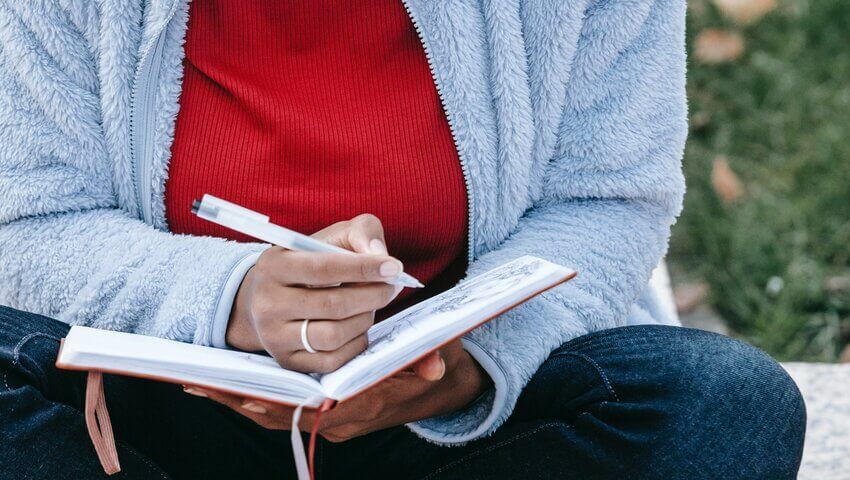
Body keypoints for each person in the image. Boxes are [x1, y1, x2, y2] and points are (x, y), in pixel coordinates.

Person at [0, 1, 805, 479]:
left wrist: (460, 372)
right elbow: (31, 220)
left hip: (462, 422)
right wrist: (234, 298)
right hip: (155, 407)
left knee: (723, 403)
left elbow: (607, 201)